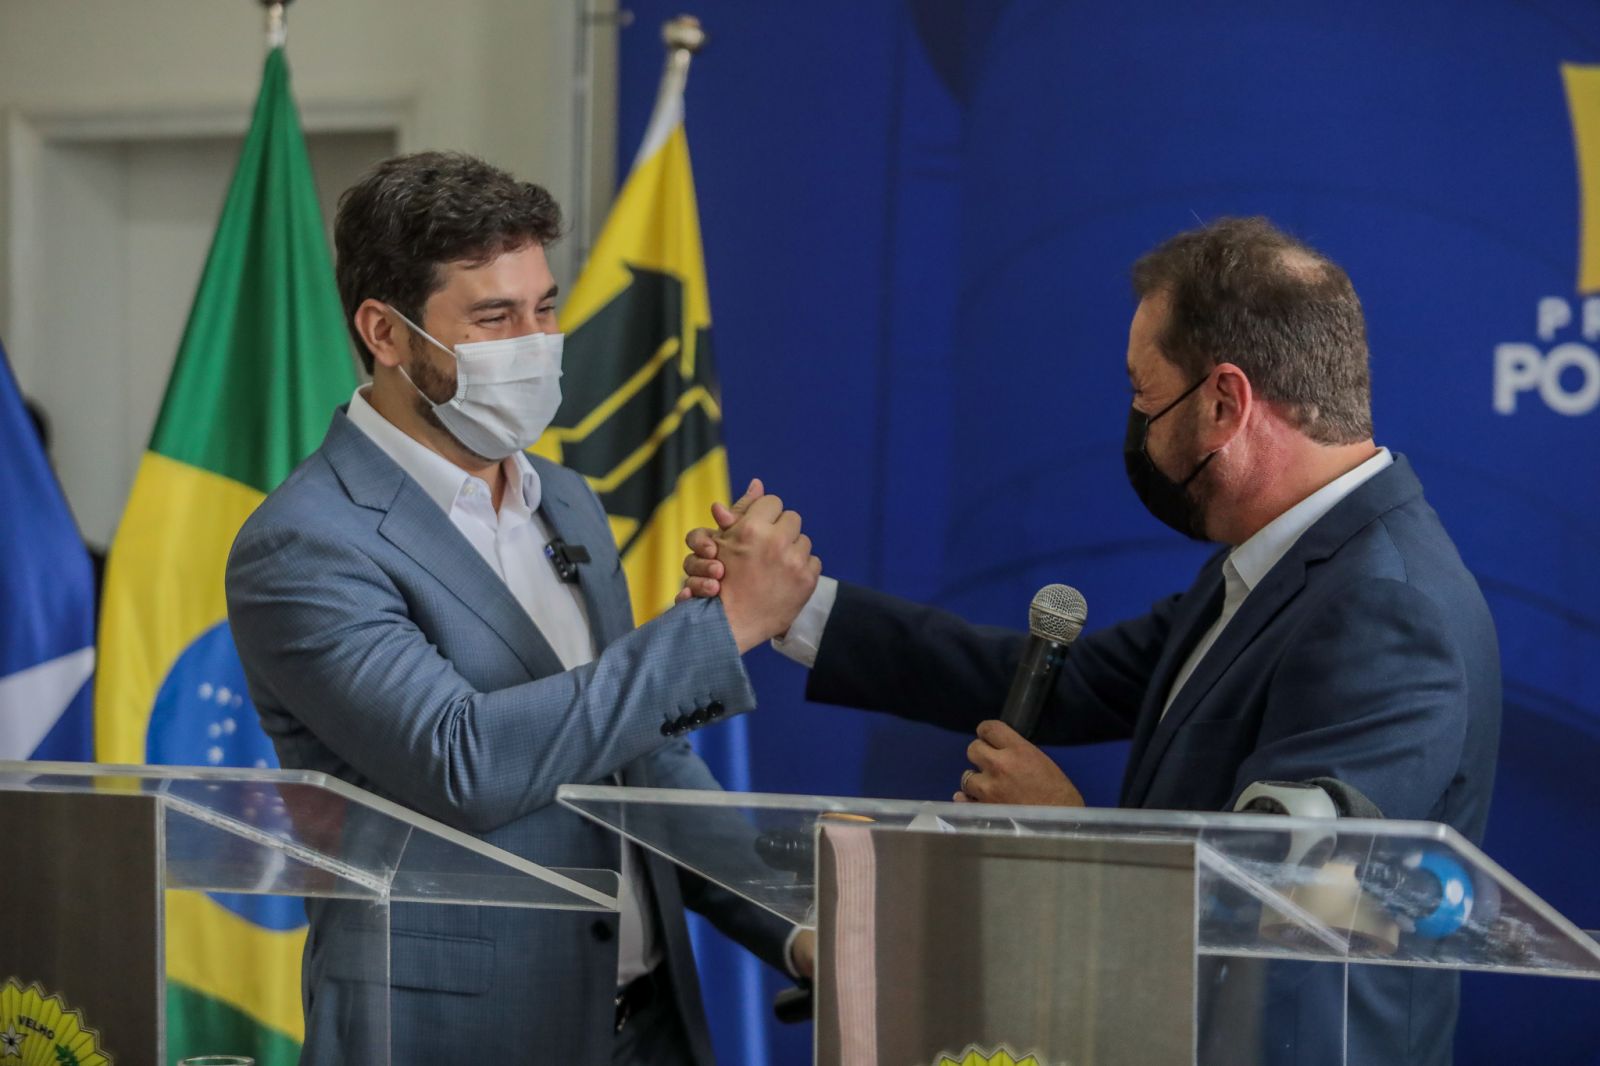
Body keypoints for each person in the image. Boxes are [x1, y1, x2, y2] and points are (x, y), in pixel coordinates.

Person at [681, 217, 1501, 1066]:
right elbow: (1058, 682)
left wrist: (1069, 836)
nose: (1136, 421)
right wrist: (797, 608)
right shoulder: (1270, 567)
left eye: (1144, 394)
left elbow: (1285, 889)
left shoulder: (1386, 604)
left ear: (1225, 403)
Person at [225, 151, 820, 1065]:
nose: (536, 342)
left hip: (648, 1027)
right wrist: (724, 627)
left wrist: (794, 927)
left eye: (545, 308)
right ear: (385, 333)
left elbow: (640, 755)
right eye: (495, 317)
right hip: (453, 1037)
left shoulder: (566, 499)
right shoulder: (306, 542)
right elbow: (461, 759)